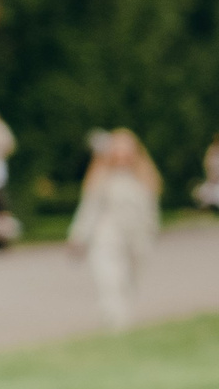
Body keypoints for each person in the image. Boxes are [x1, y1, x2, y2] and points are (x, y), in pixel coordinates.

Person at [69, 129, 162, 331]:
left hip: (137, 237)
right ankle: (114, 320)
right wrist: (78, 236)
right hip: (107, 235)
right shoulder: (102, 177)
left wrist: (152, 233)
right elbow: (89, 209)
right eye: (117, 150)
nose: (121, 155)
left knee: (130, 280)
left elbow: (151, 212)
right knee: (110, 277)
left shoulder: (144, 178)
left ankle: (123, 315)